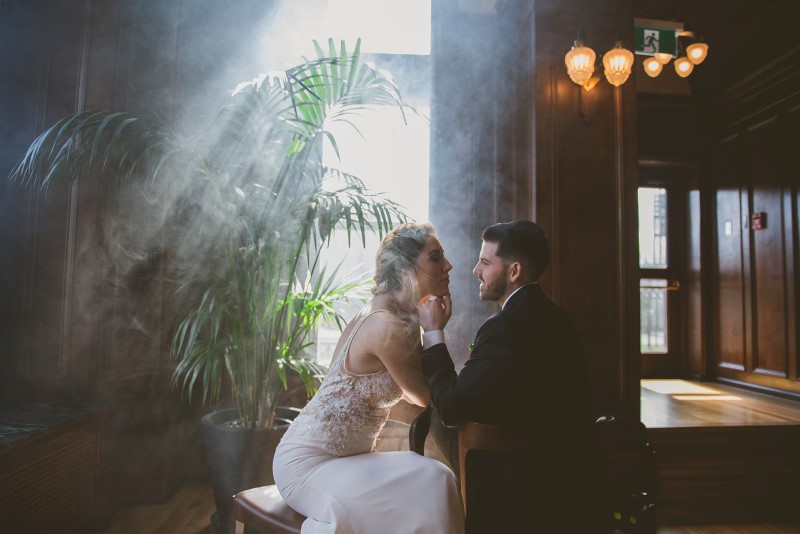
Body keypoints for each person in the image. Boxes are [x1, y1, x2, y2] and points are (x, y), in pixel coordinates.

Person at [273, 222, 465, 534]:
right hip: (308, 466)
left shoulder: (392, 317)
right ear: (406, 269)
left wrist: (424, 325)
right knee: (424, 488)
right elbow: (424, 397)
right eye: (435, 257)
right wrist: (434, 331)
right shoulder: (384, 325)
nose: (449, 265)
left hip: (351, 460)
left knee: (437, 478)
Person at [418, 220, 604, 533]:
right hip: (571, 475)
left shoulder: (504, 327)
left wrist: (433, 332)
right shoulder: (558, 318)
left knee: (436, 412)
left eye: (486, 262)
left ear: (514, 271)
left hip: (516, 480)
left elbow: (451, 409)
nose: (476, 270)